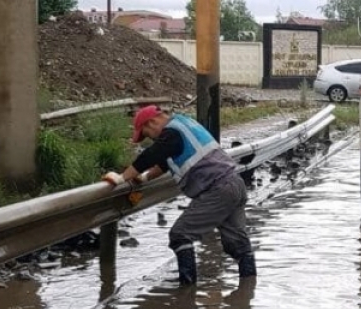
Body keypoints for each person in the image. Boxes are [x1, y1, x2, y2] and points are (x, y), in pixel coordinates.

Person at [102, 105, 256, 283]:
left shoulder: (172, 132)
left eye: (146, 134)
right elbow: (164, 162)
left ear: (152, 122)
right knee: (237, 245)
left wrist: (122, 178)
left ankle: (186, 292)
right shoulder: (184, 125)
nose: (149, 139)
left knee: (180, 235)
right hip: (234, 184)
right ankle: (248, 289)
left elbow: (151, 156)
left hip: (217, 189)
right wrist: (144, 177)